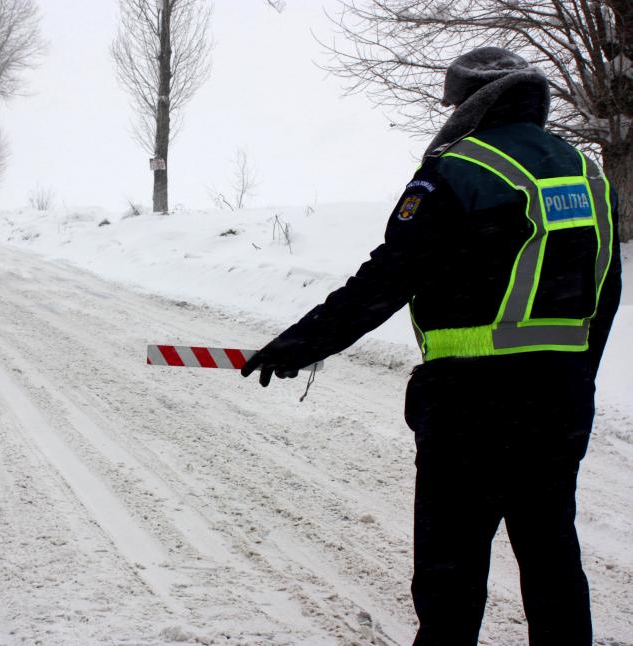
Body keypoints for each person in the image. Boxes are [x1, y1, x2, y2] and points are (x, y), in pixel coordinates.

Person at [241, 47, 621, 645]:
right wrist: (576, 382)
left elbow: (388, 277)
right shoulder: (588, 174)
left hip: (470, 406)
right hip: (560, 403)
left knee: (451, 569)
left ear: (470, 104)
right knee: (552, 560)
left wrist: (299, 344)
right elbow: (605, 292)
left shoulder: (457, 170)